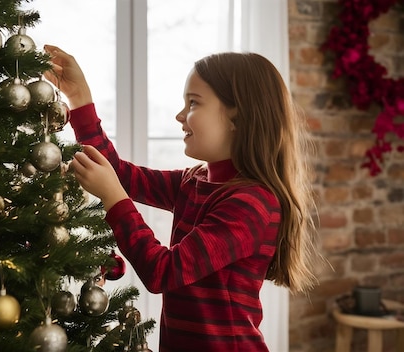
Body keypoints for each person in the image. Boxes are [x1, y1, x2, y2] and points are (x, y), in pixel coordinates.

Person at [43, 44, 320, 352]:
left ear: (236, 117)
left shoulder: (252, 205)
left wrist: (112, 197)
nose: (180, 115)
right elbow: (120, 174)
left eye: (193, 103)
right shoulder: (195, 181)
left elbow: (162, 272)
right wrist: (80, 98)